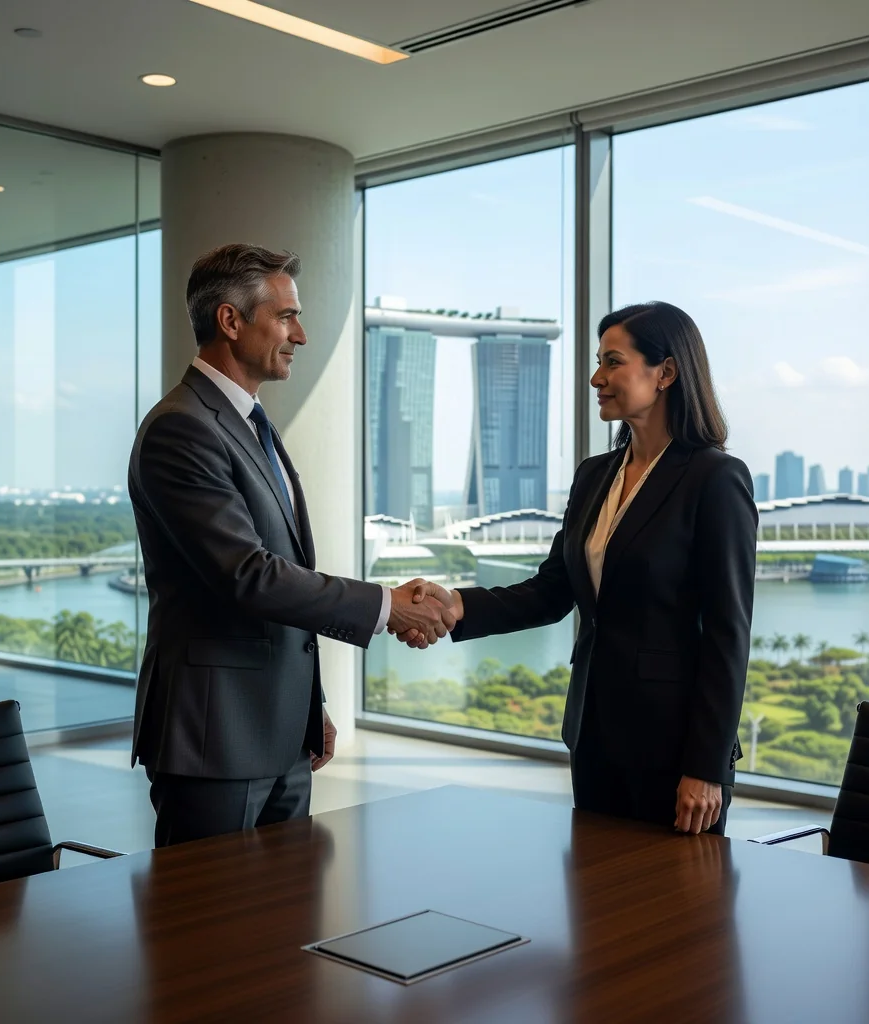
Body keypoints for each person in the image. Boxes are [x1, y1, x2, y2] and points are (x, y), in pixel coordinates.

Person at [129, 243, 454, 847]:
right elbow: (249, 575)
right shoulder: (182, 428)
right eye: (285, 316)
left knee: (283, 927)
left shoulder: (251, 423)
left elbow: (282, 579)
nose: (300, 334)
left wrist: (310, 706)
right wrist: (387, 606)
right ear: (230, 321)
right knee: (206, 935)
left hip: (280, 734)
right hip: (215, 738)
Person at [398, 302, 757, 835]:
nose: (596, 378)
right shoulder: (595, 476)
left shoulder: (715, 479)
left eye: (613, 362)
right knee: (594, 905)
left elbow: (728, 634)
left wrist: (705, 766)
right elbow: (552, 591)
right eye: (598, 362)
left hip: (674, 749)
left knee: (675, 909)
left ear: (666, 372)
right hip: (593, 734)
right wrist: (457, 605)